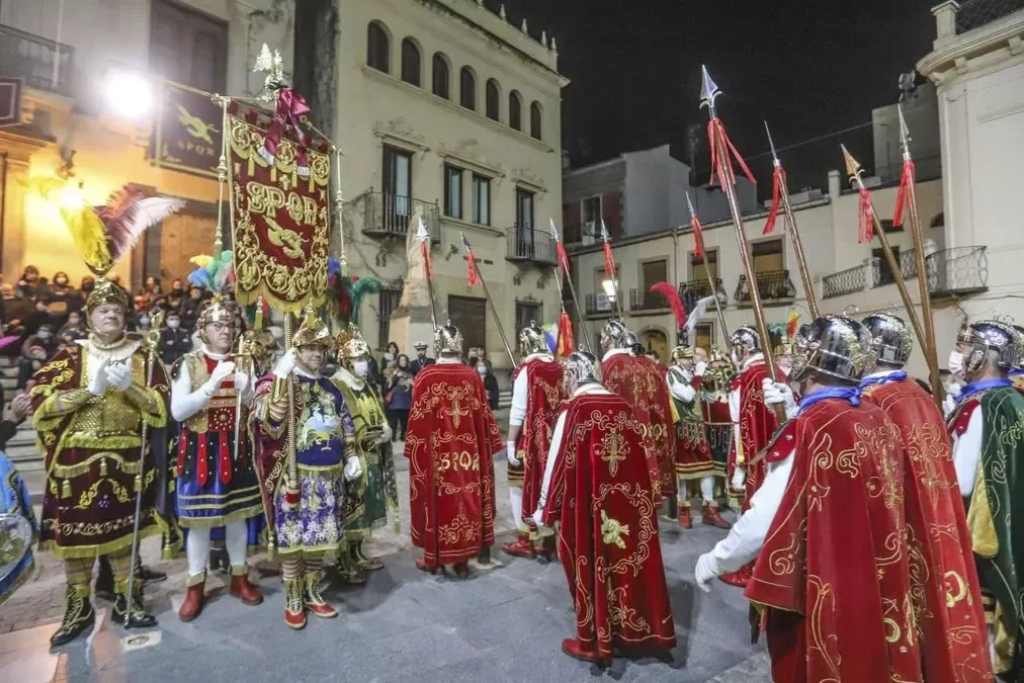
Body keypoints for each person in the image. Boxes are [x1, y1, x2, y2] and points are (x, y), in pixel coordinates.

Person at [695, 315, 926, 681]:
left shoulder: (811, 426)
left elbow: (765, 518)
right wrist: (795, 408)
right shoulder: (874, 414)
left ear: (806, 360)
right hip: (875, 576)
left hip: (822, 582)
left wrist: (716, 560)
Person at [30, 277, 173, 646]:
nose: (111, 314)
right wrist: (85, 393)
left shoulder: (143, 357)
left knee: (124, 535)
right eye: (103, 310)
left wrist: (132, 389)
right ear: (89, 316)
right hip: (77, 460)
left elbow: (160, 408)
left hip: (128, 459)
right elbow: (41, 404)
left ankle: (128, 598)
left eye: (117, 310)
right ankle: (78, 606)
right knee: (75, 538)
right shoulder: (70, 356)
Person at [857, 313, 991, 679]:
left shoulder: (871, 402)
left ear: (869, 351)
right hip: (938, 518)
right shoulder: (919, 393)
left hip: (900, 529)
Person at [532, 350, 675, 665]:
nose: (564, 384)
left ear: (574, 375)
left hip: (585, 506)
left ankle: (592, 640)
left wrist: (545, 510)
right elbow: (642, 454)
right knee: (625, 565)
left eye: (566, 377)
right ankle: (628, 631)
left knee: (583, 561)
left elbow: (557, 463)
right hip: (627, 505)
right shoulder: (622, 406)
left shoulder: (575, 408)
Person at [250, 310, 361, 629]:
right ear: (296, 351)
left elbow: (345, 421)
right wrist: (282, 376)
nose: (316, 353)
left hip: (329, 476)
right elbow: (271, 423)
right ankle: (293, 595)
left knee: (320, 537)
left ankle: (312, 590)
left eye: (320, 349)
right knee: (294, 538)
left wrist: (351, 454)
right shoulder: (280, 382)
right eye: (309, 348)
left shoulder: (332, 388)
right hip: (294, 476)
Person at [171, 298, 264, 622]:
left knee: (238, 516)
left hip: (237, 447)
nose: (226, 331)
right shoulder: (189, 363)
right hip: (201, 449)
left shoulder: (245, 361)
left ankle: (240, 577)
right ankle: (195, 585)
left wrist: (248, 391)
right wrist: (211, 385)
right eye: (218, 326)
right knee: (200, 521)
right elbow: (179, 411)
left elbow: (256, 409)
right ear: (204, 330)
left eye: (229, 325)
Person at [947, 320, 1024, 679]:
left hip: (982, 529)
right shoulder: (1014, 399)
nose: (960, 355)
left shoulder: (980, 406)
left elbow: (959, 482)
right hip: (1015, 518)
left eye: (965, 347)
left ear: (980, 355)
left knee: (984, 619)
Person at [405, 320, 502, 577]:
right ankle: (462, 561)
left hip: (438, 459)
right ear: (459, 347)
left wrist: (414, 451)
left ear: (437, 347)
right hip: (470, 458)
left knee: (437, 502)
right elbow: (485, 418)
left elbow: (417, 424)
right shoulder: (472, 376)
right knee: (465, 499)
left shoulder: (426, 377)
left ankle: (434, 559)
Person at [331, 324, 398, 583]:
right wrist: (366, 435)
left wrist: (384, 429)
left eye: (364, 358)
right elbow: (342, 421)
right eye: (358, 359)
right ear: (346, 361)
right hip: (351, 458)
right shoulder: (337, 385)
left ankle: (358, 552)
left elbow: (378, 415)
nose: (363, 363)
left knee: (366, 507)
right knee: (350, 509)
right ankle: (343, 559)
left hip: (371, 455)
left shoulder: (364, 385)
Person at [720, 325, 780, 587]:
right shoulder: (774, 371)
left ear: (742, 349)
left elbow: (742, 425)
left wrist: (740, 464)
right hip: (779, 453)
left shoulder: (748, 379)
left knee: (754, 511)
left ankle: (753, 567)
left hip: (757, 457)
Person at [502, 322, 563, 560]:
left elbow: (518, 410)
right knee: (547, 487)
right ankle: (548, 540)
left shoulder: (527, 369)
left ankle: (524, 539)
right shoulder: (558, 366)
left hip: (530, 441)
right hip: (554, 438)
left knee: (519, 486)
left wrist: (509, 442)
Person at [599, 319, 671, 504]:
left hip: (619, 435)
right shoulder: (643, 364)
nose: (601, 340)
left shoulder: (608, 366)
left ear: (611, 338)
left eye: (604, 336)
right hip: (644, 430)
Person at [667, 344, 729, 529]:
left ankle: (709, 509)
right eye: (687, 358)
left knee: (706, 467)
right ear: (678, 358)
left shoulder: (691, 373)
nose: (690, 361)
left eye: (690, 358)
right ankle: (683, 508)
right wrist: (698, 376)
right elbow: (686, 395)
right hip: (682, 426)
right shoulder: (671, 374)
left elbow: (708, 399)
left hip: (698, 425)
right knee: (683, 470)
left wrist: (710, 384)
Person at [17, 324, 57, 389]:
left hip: (47, 361)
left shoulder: (53, 341)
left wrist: (45, 356)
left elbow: (56, 353)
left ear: (50, 333)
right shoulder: (32, 338)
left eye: (44, 330)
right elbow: (24, 350)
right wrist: (34, 359)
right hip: (32, 359)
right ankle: (20, 388)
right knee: (24, 363)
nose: (42, 332)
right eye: (40, 330)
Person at [385, 354, 413, 441]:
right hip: (395, 398)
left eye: (405, 360)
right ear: (398, 362)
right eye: (401, 360)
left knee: (404, 419)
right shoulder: (394, 371)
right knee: (393, 420)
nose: (403, 362)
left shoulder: (409, 372)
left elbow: (413, 384)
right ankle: (393, 435)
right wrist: (396, 377)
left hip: (406, 398)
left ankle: (402, 435)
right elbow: (388, 385)